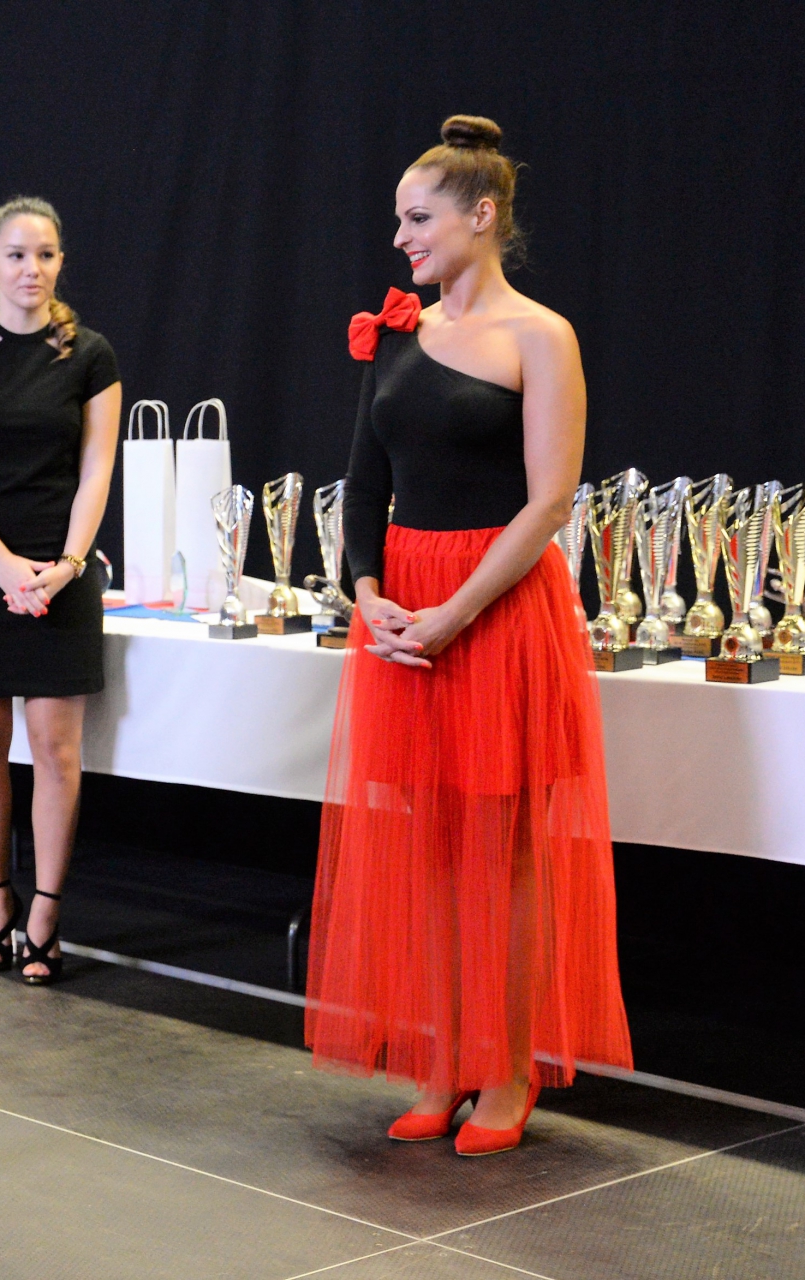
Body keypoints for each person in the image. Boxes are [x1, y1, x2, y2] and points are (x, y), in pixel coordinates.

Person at [304, 115, 633, 1156]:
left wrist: (456, 612)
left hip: (495, 611)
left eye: (418, 218)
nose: (401, 237)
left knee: (511, 855)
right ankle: (444, 1053)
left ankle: (508, 1065)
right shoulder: (398, 332)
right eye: (399, 220)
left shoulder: (540, 336)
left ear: (481, 216)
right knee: (430, 848)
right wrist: (366, 590)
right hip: (408, 615)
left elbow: (550, 501)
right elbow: (364, 482)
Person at [0, 197, 121, 985]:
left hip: (61, 570)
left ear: (60, 262)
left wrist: (68, 564)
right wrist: (2, 562)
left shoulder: (90, 354)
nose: (30, 268)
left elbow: (97, 469)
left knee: (56, 752)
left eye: (43, 255)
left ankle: (44, 917)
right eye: (15, 254)